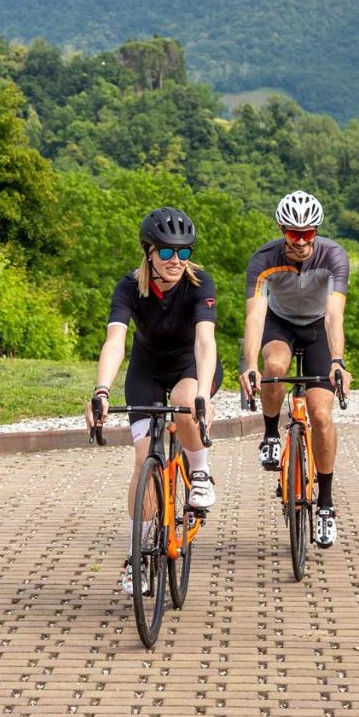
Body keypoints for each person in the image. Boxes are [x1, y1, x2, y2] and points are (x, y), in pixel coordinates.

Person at [86, 206, 223, 596]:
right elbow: (116, 341)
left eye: (184, 252)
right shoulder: (130, 286)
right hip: (146, 369)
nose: (176, 260)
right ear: (149, 252)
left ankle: (199, 471)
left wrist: (201, 392)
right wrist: (101, 390)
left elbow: (205, 341)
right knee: (143, 456)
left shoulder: (200, 285)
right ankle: (139, 553)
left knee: (183, 403)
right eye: (166, 252)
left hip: (190, 366)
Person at [238, 190, 353, 549]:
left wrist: (337, 360)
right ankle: (272, 433)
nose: (301, 241)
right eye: (293, 233)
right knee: (274, 365)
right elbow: (255, 316)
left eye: (307, 233)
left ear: (315, 232)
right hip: (281, 325)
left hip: (319, 328)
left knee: (320, 415)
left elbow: (335, 313)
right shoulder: (263, 259)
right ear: (281, 230)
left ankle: (326, 504)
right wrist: (250, 364)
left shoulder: (333, 256)